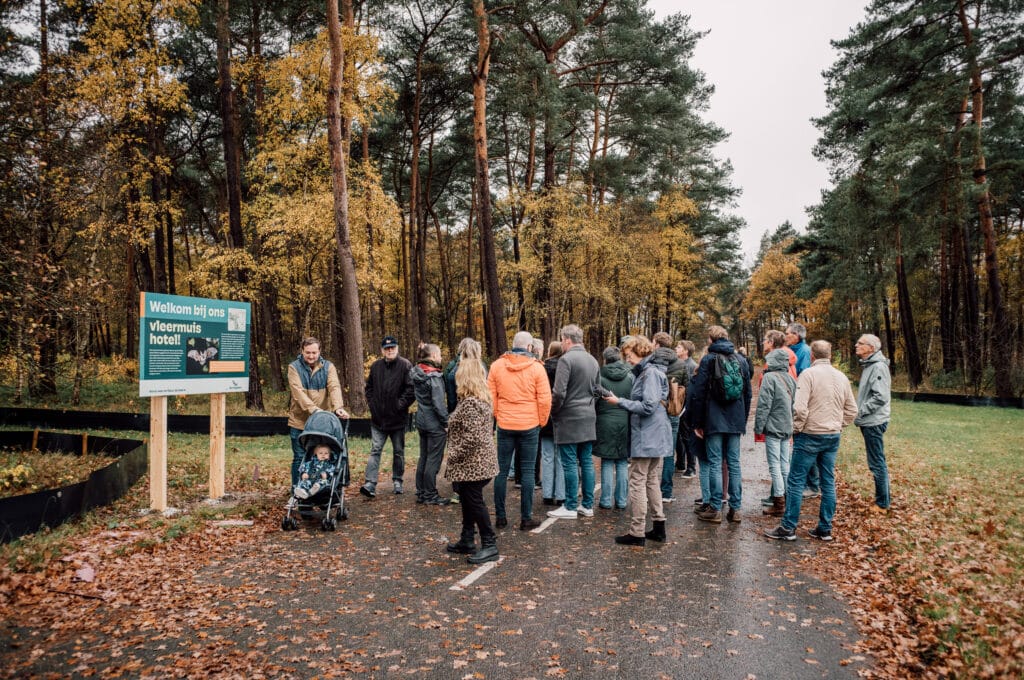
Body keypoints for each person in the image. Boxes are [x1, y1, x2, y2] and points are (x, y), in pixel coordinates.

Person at [765, 340, 857, 542]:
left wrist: (797, 428)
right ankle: (825, 528)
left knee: (796, 481)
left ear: (812, 356)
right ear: (830, 355)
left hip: (809, 434)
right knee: (827, 481)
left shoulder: (808, 375)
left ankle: (788, 527)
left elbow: (799, 408)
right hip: (832, 435)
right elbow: (852, 410)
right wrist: (839, 424)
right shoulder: (841, 377)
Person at [604, 335, 672, 546]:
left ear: (639, 352)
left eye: (629, 355)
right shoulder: (652, 371)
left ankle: (637, 532)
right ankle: (658, 526)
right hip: (654, 435)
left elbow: (648, 406)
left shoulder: (649, 373)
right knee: (651, 480)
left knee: (638, 482)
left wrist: (619, 402)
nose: (628, 360)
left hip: (647, 436)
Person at [685, 325, 752, 524]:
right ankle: (736, 508)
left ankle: (715, 508)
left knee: (715, 462)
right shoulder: (740, 360)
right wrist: (743, 418)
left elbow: (699, 394)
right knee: (734, 463)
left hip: (713, 419)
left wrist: (697, 422)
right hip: (735, 419)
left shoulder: (708, 359)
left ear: (710, 340)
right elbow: (747, 393)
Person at [443, 340, 501, 564]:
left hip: (474, 464)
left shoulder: (471, 404)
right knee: (468, 499)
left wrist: (454, 455)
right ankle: (467, 538)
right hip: (476, 463)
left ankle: (489, 543)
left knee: (474, 501)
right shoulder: (475, 400)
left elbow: (473, 437)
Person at [487, 330, 552, 529]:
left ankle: (500, 516)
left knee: (501, 470)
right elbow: (544, 399)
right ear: (530, 347)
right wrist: (540, 422)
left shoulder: (497, 366)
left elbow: (491, 397)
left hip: (506, 425)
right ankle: (526, 518)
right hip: (529, 425)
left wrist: (499, 416)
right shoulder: (537, 368)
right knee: (527, 471)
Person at [547, 324, 600, 520]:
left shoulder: (566, 360)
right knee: (586, 461)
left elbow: (559, 392)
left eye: (562, 339)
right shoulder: (593, 360)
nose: (561, 343)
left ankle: (570, 505)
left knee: (569, 463)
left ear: (568, 340)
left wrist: (553, 412)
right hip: (588, 415)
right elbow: (597, 388)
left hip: (568, 417)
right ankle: (587, 505)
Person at [287, 337, 349, 488]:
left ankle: (323, 490)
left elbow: (334, 387)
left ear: (319, 351)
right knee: (300, 458)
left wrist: (337, 407)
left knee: (325, 458)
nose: (311, 356)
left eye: (314, 352)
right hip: (300, 421)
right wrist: (314, 410)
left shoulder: (328, 367)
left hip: (323, 424)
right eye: (307, 352)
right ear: (302, 351)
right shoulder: (294, 367)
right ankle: (297, 490)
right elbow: (298, 393)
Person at [361, 336, 415, 498]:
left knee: (398, 451)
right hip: (378, 419)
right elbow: (369, 388)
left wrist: (399, 405)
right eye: (387, 348)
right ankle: (370, 483)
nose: (390, 350)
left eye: (392, 348)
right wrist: (373, 404)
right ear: (382, 350)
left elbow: (411, 390)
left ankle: (397, 480)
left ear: (397, 348)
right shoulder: (376, 366)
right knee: (375, 450)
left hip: (397, 419)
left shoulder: (405, 365)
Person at [754, 338, 797, 517]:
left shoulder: (769, 378)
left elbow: (764, 405)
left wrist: (758, 427)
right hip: (787, 426)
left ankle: (779, 502)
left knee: (774, 465)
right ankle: (787, 499)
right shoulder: (790, 378)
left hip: (773, 427)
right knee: (785, 464)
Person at [854, 333, 892, 513]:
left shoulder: (877, 367)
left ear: (871, 348)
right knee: (876, 461)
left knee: (877, 462)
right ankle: (882, 500)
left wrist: (861, 411)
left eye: (860, 343)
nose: (856, 345)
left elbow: (880, 397)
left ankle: (882, 503)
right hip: (869, 420)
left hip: (874, 421)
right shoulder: (869, 365)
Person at [594, 346, 633, 510]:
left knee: (607, 461)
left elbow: (595, 401)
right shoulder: (630, 377)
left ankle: (605, 500)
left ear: (605, 359)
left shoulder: (600, 377)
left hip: (604, 422)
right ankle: (622, 500)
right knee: (623, 461)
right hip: (625, 421)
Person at [411, 343, 450, 505]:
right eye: (439, 354)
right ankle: (430, 494)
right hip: (434, 423)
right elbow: (438, 404)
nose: (440, 357)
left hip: (421, 419)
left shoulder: (417, 372)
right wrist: (446, 422)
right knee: (433, 459)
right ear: (433, 356)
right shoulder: (434, 376)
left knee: (424, 457)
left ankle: (421, 491)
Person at [652, 332, 688, 503]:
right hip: (673, 410)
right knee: (668, 452)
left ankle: (649, 491)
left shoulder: (650, 362)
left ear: (657, 344)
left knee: (649, 452)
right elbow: (687, 387)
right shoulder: (680, 363)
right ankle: (666, 492)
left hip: (654, 410)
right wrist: (680, 409)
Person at [786, 323, 820, 498]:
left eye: (788, 334)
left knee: (805, 444)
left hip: (801, 402)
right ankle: (809, 482)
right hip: (794, 400)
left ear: (797, 335)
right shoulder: (791, 349)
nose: (786, 336)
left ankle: (813, 485)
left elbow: (803, 377)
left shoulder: (804, 351)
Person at [539, 341, 566, 507]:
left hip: (545, 415)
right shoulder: (566, 368)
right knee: (561, 457)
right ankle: (561, 494)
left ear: (550, 351)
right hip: (562, 416)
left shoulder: (541, 368)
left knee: (547, 456)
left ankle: (547, 494)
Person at [674, 340, 699, 478]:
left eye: (678, 347)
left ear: (686, 351)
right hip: (678, 406)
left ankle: (691, 467)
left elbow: (691, 390)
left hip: (686, 408)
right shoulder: (679, 364)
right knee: (679, 436)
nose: (676, 349)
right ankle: (680, 463)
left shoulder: (692, 366)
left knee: (687, 437)